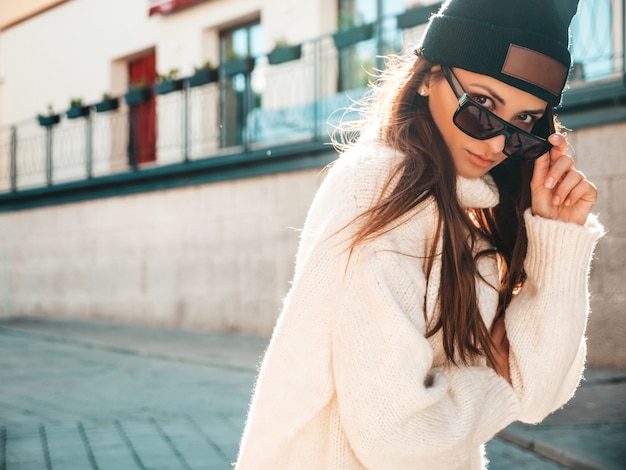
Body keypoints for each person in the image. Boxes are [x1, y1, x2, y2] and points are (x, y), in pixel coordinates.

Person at [236, 0, 604, 468]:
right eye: (482, 105)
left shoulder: (467, 208)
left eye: (524, 123)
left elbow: (542, 392)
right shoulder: (383, 187)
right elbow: (401, 436)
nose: (496, 143)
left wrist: (558, 239)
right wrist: (501, 371)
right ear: (429, 77)